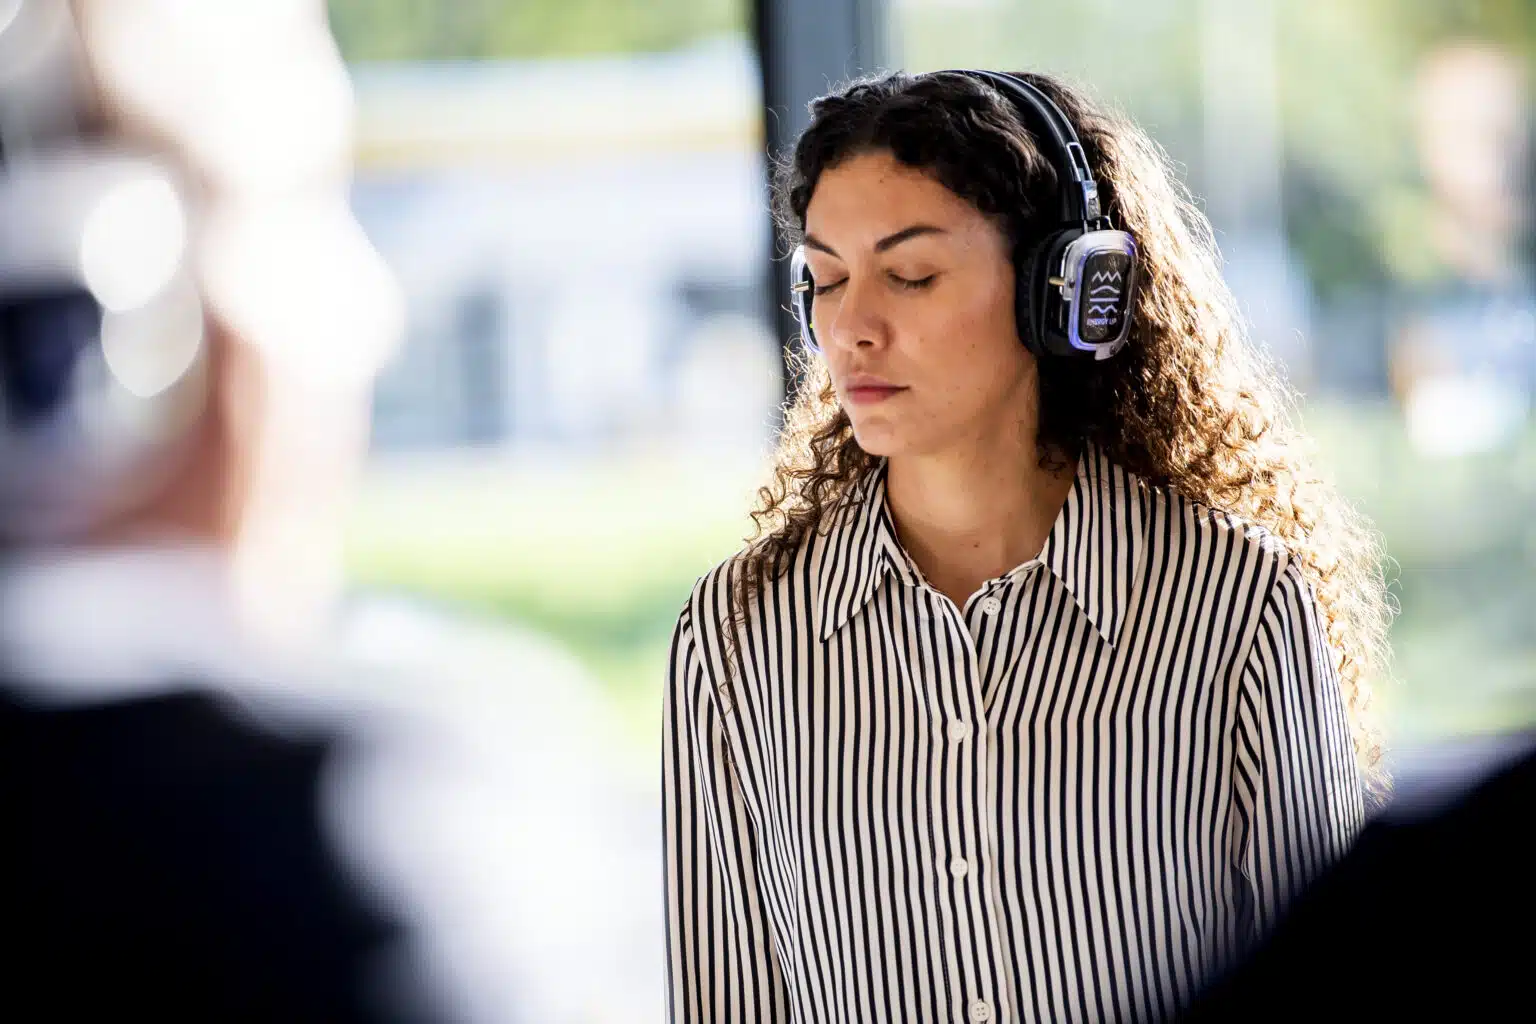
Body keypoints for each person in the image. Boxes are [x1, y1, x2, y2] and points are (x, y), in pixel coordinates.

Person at [662, 69, 1391, 1024]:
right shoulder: (736, 637)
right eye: (827, 280)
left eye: (911, 276)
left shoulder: (1239, 602)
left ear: (1069, 291)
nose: (851, 330)